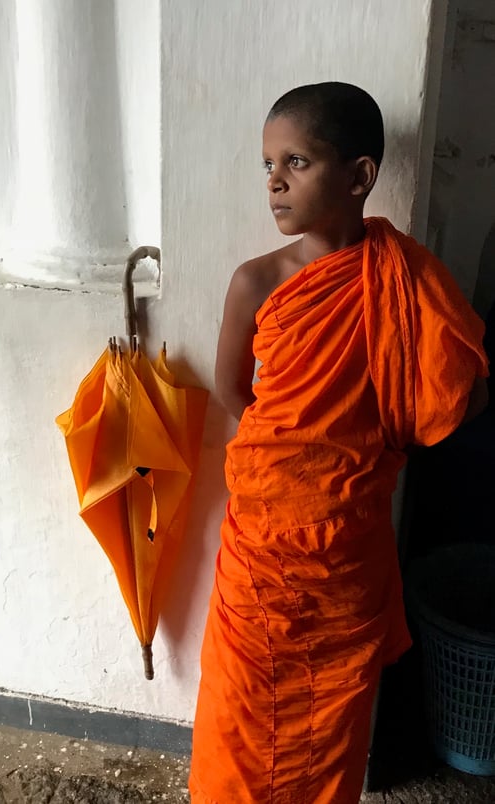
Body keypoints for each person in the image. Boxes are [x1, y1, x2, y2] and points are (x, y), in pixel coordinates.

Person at [189, 82, 488, 804]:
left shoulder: (405, 278)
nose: (275, 181)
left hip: (348, 545)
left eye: (297, 161)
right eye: (267, 165)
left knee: (331, 719)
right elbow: (232, 390)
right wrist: (290, 457)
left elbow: (459, 395)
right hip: (263, 543)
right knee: (240, 713)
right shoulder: (256, 282)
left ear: (359, 177)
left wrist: (345, 455)